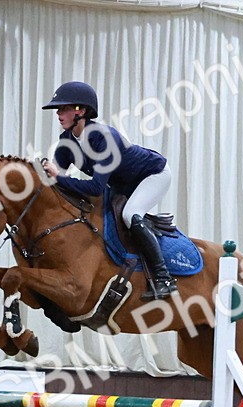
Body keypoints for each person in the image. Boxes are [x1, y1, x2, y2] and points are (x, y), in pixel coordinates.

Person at [40, 81, 176, 300]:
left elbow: (94, 188)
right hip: (122, 184)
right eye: (58, 109)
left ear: (81, 111)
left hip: (152, 174)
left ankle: (164, 278)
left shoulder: (104, 137)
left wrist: (58, 177)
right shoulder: (66, 140)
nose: (58, 113)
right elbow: (57, 184)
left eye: (64, 108)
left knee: (130, 214)